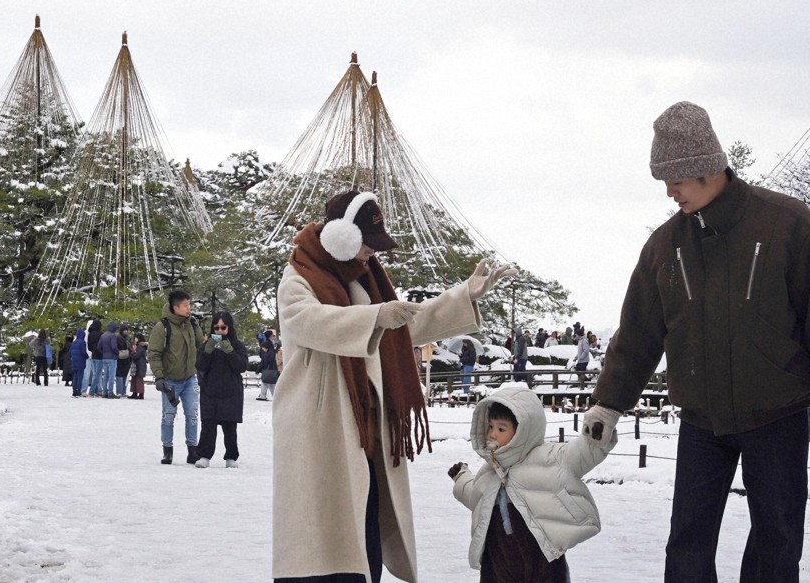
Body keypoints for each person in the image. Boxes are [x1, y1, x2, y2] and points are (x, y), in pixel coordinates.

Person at [584, 101, 810, 582]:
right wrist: (608, 405)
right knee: (687, 544)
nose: (669, 191)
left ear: (704, 168)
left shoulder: (786, 224)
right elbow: (637, 333)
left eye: (674, 179)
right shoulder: (665, 246)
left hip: (776, 414)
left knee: (776, 542)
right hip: (701, 419)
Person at [273, 189, 515, 583]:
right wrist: (375, 317)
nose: (372, 253)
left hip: (364, 426)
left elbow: (401, 327)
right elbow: (308, 321)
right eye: (367, 244)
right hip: (319, 427)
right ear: (341, 237)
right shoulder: (299, 275)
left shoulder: (365, 278)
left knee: (362, 531)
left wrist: (462, 296)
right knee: (318, 537)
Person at [450, 387, 615, 582]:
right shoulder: (489, 472)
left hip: (541, 558)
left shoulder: (550, 458)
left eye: (501, 429)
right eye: (490, 427)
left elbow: (580, 454)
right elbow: (475, 496)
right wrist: (461, 477)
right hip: (498, 561)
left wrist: (597, 431)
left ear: (523, 431)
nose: (493, 434)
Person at [152, 290, 206, 464]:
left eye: (189, 304)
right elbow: (154, 353)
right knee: (168, 415)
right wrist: (159, 377)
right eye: (185, 305)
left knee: (192, 415)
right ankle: (167, 451)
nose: (189, 308)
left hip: (190, 378)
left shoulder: (192, 324)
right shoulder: (162, 327)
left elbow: (200, 346)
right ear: (175, 308)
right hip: (170, 380)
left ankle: (193, 450)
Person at [194, 311, 248, 468]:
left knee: (230, 426)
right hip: (210, 391)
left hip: (231, 392)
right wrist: (207, 352)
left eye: (223, 327)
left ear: (229, 328)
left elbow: (242, 366)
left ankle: (231, 456)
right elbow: (200, 366)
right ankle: (204, 455)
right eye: (216, 327)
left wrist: (230, 352)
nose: (219, 331)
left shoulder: (237, 345)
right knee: (208, 425)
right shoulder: (207, 345)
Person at [97, 321, 120, 398]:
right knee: (111, 375)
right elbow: (114, 347)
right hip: (112, 358)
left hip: (104, 357)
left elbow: (98, 347)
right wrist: (117, 353)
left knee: (105, 375)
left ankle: (104, 392)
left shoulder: (103, 335)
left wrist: (104, 352)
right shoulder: (112, 335)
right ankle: (110, 392)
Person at [86, 320, 104, 397]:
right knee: (98, 374)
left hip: (93, 355)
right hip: (100, 356)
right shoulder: (101, 334)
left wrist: (93, 350)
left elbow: (89, 346)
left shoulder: (90, 334)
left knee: (95, 374)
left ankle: (96, 389)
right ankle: (93, 390)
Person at [69, 329, 88, 398]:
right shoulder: (83, 342)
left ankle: (74, 391)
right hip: (80, 362)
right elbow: (83, 352)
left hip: (74, 362)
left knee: (75, 377)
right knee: (80, 377)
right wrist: (87, 356)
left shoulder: (73, 343)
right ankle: (78, 391)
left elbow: (70, 353)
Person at [115, 325, 132, 398]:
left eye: (127, 330)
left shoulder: (128, 338)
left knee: (125, 376)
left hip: (127, 359)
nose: (126, 331)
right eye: (125, 330)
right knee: (119, 375)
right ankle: (119, 391)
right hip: (120, 359)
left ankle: (123, 391)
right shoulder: (118, 338)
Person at [130, 333, 148, 400]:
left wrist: (132, 353)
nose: (135, 339)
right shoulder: (139, 346)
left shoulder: (140, 347)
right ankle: (135, 393)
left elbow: (136, 355)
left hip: (140, 365)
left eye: (136, 338)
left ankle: (140, 394)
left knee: (138, 379)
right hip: (138, 365)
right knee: (134, 379)